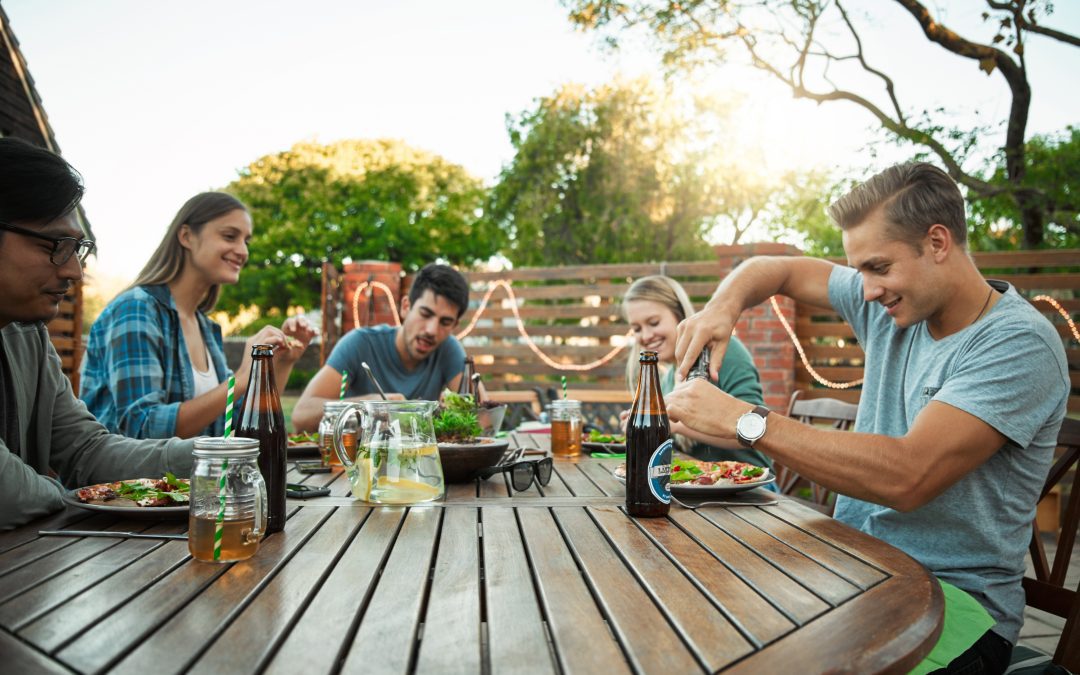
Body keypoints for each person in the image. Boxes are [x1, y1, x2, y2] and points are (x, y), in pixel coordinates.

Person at [666, 162, 1068, 673]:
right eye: (859, 270)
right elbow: (778, 267)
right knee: (697, 619)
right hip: (851, 569)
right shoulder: (891, 303)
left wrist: (747, 421)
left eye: (878, 267)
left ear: (938, 242)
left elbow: (908, 475)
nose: (868, 289)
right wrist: (722, 307)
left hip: (952, 606)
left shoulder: (1016, 343)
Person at [0, 138, 196, 529]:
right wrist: (69, 496)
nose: (74, 270)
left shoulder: (26, 335)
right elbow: (7, 495)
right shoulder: (137, 309)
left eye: (78, 248)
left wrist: (212, 453)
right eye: (56, 246)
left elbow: (86, 450)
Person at [79, 192, 316, 439]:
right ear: (186, 236)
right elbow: (143, 428)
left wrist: (283, 362)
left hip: (189, 478)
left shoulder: (205, 327)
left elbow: (237, 422)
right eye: (229, 236)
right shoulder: (135, 310)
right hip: (122, 478)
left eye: (246, 240)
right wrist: (242, 378)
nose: (243, 250)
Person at [291, 263, 471, 432]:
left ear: (455, 326)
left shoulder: (449, 349)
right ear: (406, 307)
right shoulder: (359, 343)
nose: (432, 330)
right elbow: (301, 416)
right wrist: (368, 405)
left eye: (445, 322)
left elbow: (481, 419)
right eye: (425, 314)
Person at [621, 275, 770, 468]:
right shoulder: (667, 379)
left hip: (752, 488)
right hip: (697, 487)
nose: (647, 336)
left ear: (680, 315)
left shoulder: (723, 352)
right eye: (637, 329)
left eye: (654, 322)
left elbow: (756, 431)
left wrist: (670, 424)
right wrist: (642, 425)